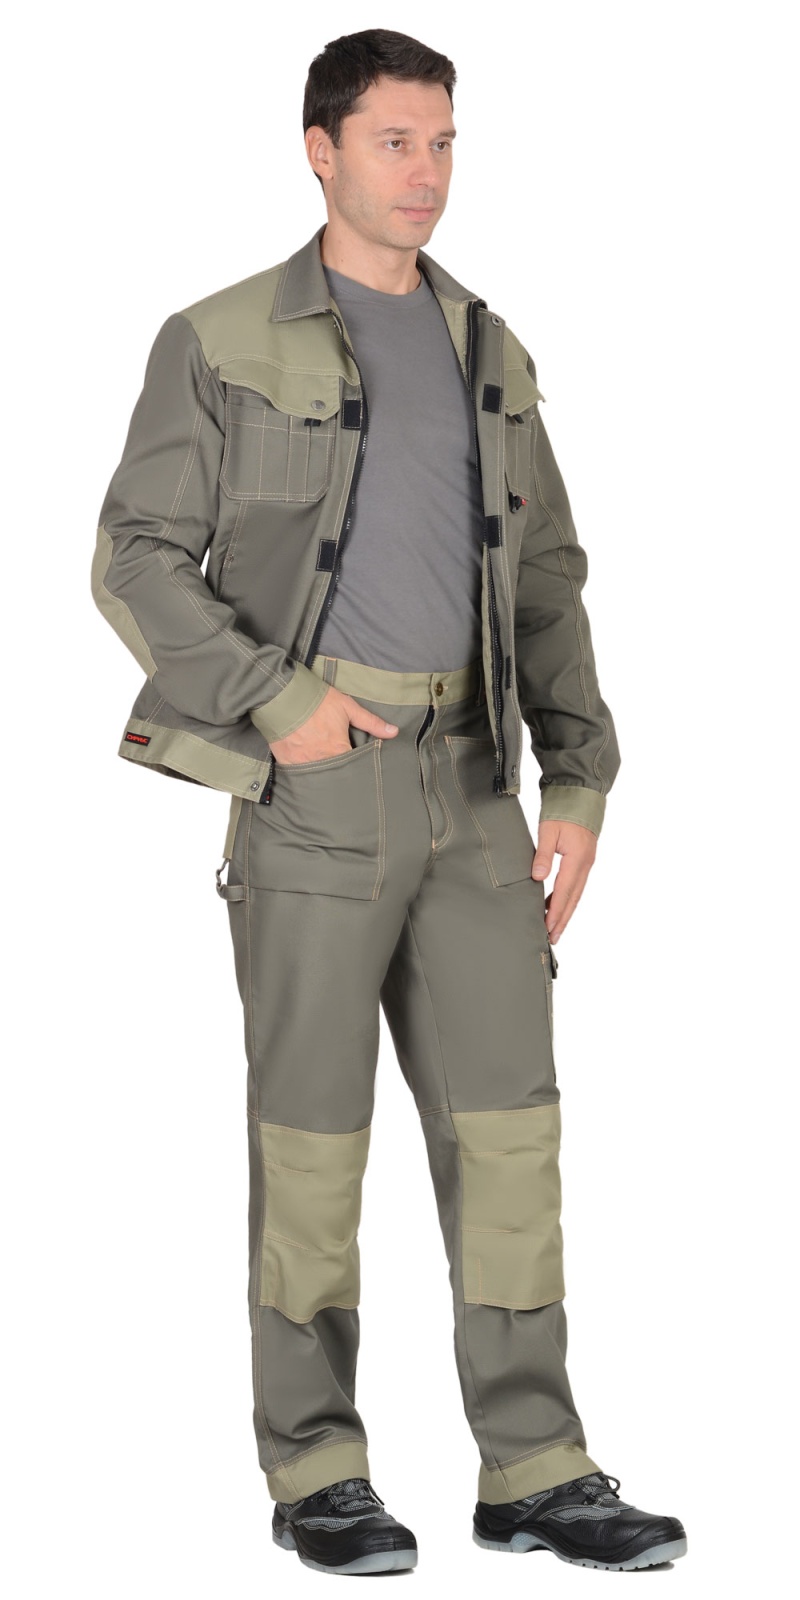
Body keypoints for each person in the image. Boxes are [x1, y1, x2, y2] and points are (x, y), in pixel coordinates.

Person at [92, 26, 687, 1578]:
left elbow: (547, 575)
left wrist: (581, 775)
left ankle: (535, 1468)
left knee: (512, 1136)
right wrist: (275, 700)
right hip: (316, 794)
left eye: (444, 143)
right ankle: (318, 1471)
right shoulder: (220, 338)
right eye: (394, 142)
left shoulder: (491, 347)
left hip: (478, 787)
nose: (426, 173)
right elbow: (135, 556)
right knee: (313, 1144)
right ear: (322, 150)